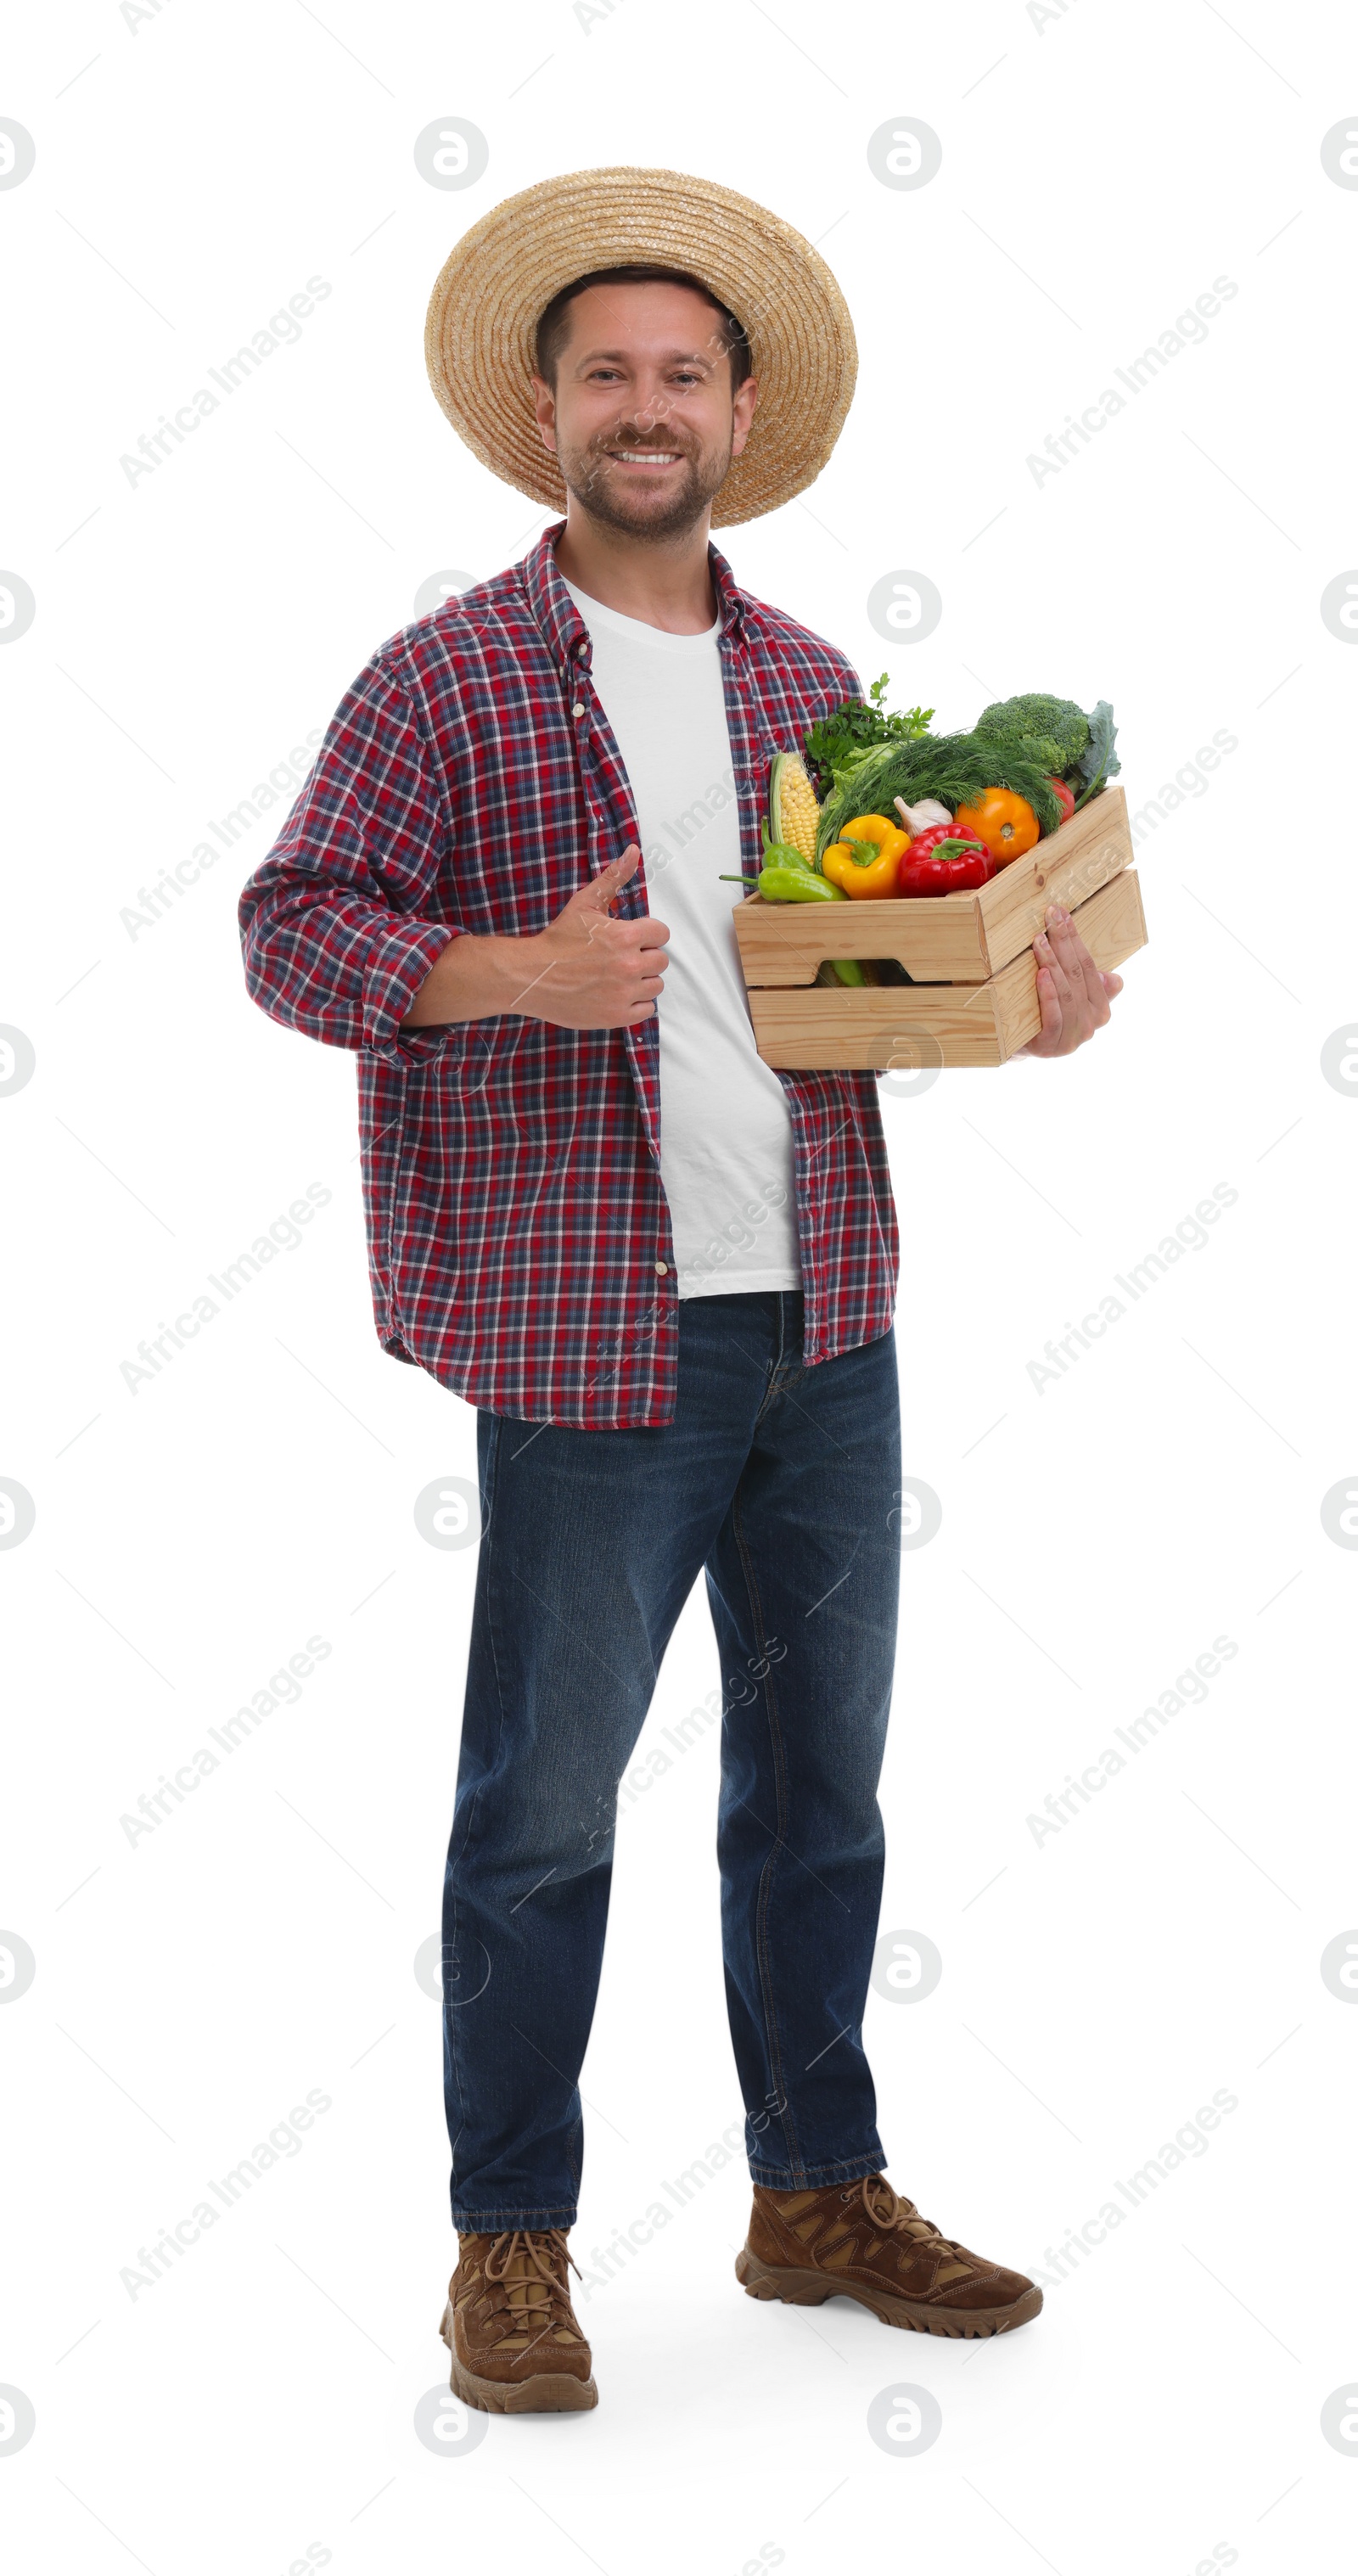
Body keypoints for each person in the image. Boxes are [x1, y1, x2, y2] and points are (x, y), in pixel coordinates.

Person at [238, 167, 1123, 2416]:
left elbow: (857, 987)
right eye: (606, 373)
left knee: (825, 1789)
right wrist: (501, 970)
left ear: (740, 413)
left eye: (682, 373)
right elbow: (290, 924)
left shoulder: (820, 685)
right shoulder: (445, 679)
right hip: (587, 1339)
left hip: (828, 1325)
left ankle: (816, 2186)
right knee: (545, 1806)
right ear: (544, 411)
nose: (646, 406)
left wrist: (1015, 1001)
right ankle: (509, 2245)